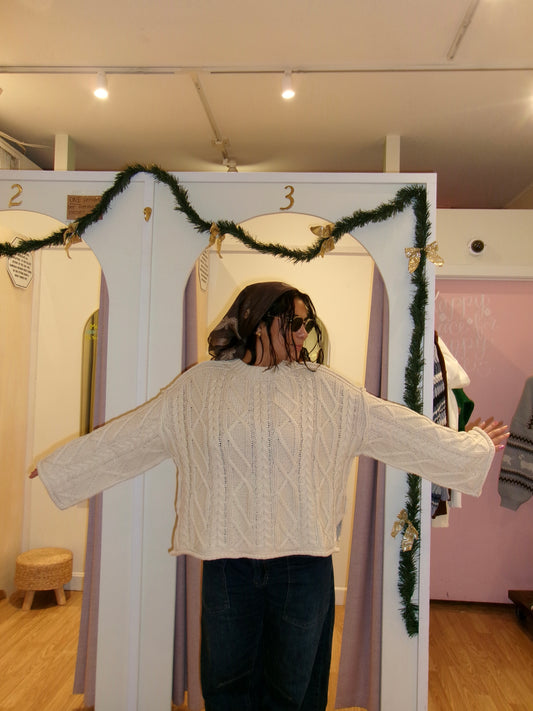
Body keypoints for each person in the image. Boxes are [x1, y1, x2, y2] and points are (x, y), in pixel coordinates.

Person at [32, 281, 509, 711]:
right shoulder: (200, 387)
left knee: (292, 691)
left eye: (306, 325)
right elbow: (134, 436)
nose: (303, 333)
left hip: (303, 566)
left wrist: (470, 447)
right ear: (259, 323)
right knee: (225, 686)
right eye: (293, 323)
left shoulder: (327, 392)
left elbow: (399, 431)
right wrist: (61, 467)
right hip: (227, 565)